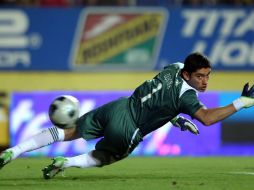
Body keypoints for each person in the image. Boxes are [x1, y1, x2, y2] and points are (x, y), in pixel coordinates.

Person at [1, 52, 254, 179]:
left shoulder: (175, 67)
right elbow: (208, 118)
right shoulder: (187, 96)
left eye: (208, 75)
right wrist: (241, 102)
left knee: (71, 130)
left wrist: (174, 116)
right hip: (130, 127)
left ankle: (15, 150)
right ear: (188, 75)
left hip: (119, 106)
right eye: (200, 76)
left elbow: (161, 98)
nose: (205, 81)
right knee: (108, 157)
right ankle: (66, 163)